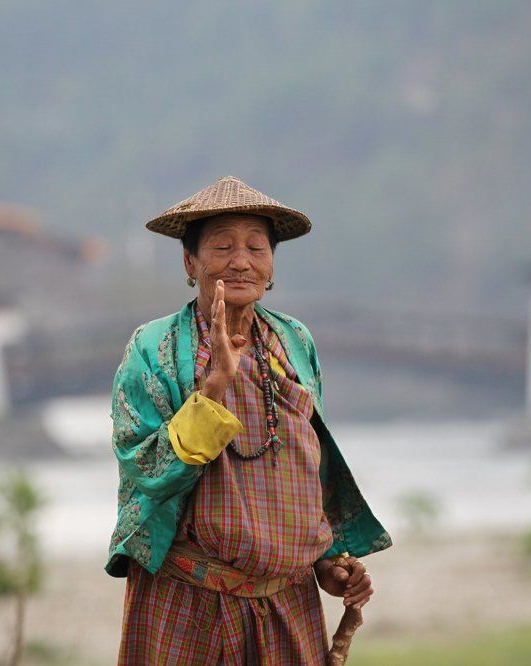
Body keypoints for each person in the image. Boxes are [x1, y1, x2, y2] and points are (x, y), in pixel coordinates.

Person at [106, 175, 392, 664]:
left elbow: (307, 462)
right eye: (221, 247)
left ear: (272, 265)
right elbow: (146, 470)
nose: (241, 261)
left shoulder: (294, 342)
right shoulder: (154, 350)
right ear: (190, 262)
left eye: (257, 248)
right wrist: (216, 384)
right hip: (187, 599)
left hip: (288, 602)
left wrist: (325, 559)